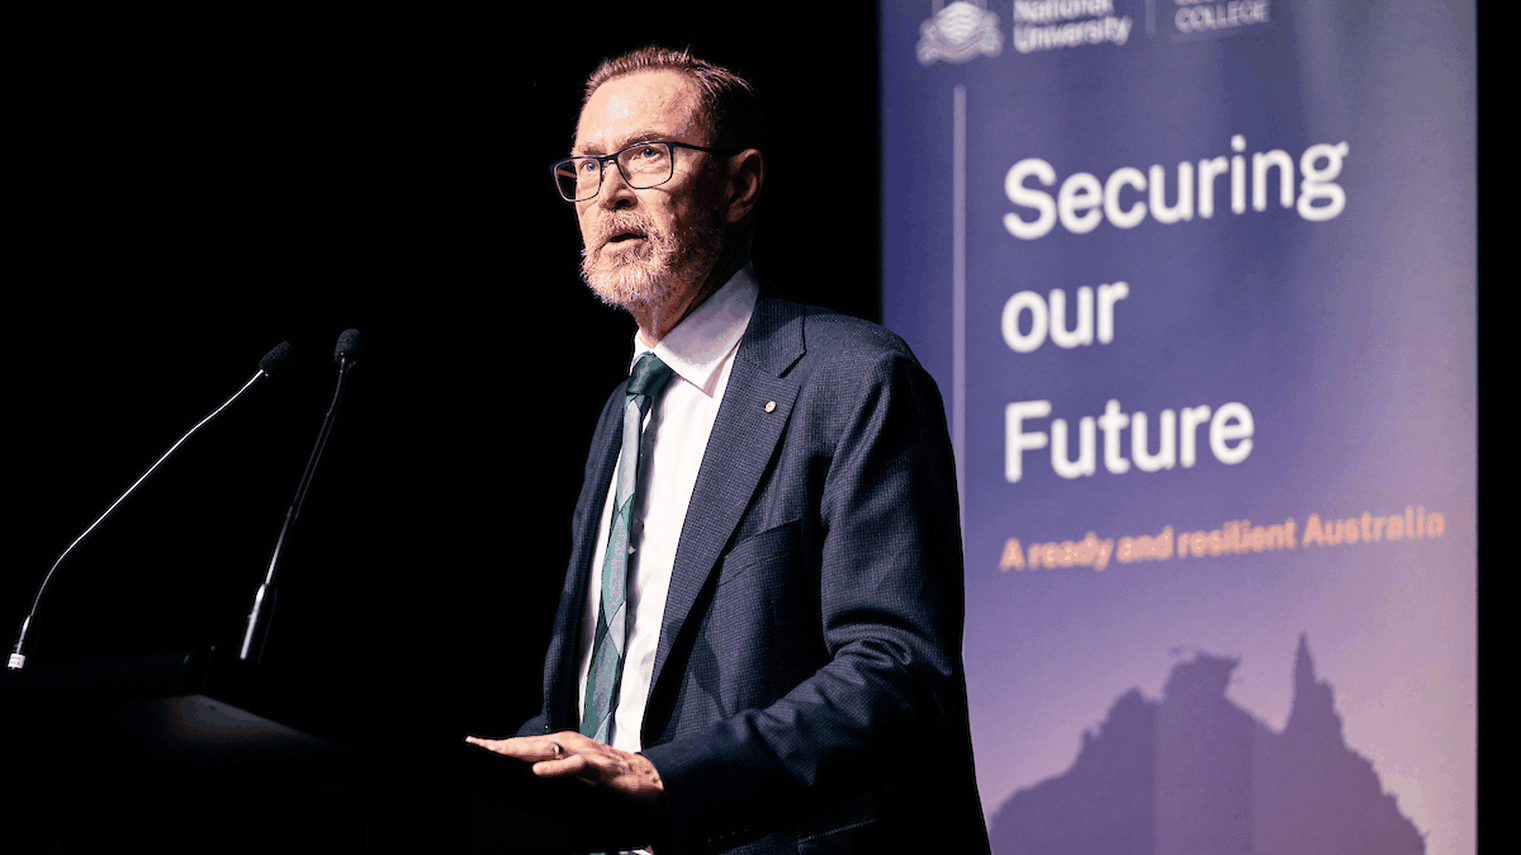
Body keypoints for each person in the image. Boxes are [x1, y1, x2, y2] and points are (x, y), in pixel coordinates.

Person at [467, 46, 990, 854]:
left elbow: (897, 668)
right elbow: (615, 700)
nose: (609, 191)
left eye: (647, 154)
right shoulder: (621, 414)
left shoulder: (850, 377)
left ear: (740, 184)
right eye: (588, 165)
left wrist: (667, 780)